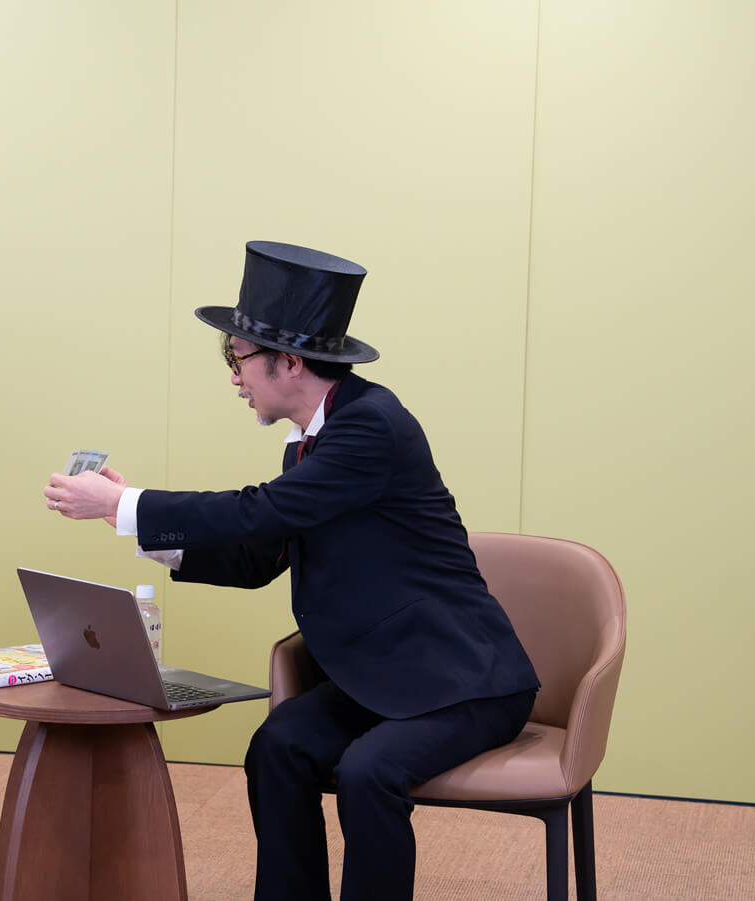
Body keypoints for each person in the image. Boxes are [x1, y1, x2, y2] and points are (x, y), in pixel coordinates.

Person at [43, 240, 540, 901]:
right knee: (277, 748)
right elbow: (260, 555)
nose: (234, 376)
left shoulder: (372, 428)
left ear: (289, 361)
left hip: (463, 681)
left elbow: (261, 510)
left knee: (368, 773)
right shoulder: (311, 443)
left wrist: (128, 503)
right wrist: (131, 524)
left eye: (237, 357)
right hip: (382, 675)